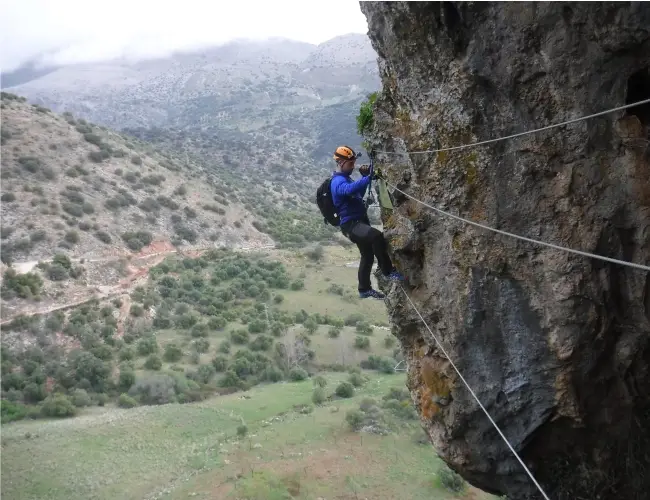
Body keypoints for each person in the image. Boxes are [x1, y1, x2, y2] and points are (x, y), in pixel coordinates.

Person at [331, 145, 404, 299]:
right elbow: (347, 190)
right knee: (376, 236)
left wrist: (365, 178)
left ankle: (364, 289)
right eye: (351, 164)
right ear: (341, 163)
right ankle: (388, 271)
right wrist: (367, 178)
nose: (353, 167)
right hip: (352, 224)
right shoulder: (337, 181)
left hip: (358, 222)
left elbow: (356, 194)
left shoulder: (346, 178)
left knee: (368, 255)